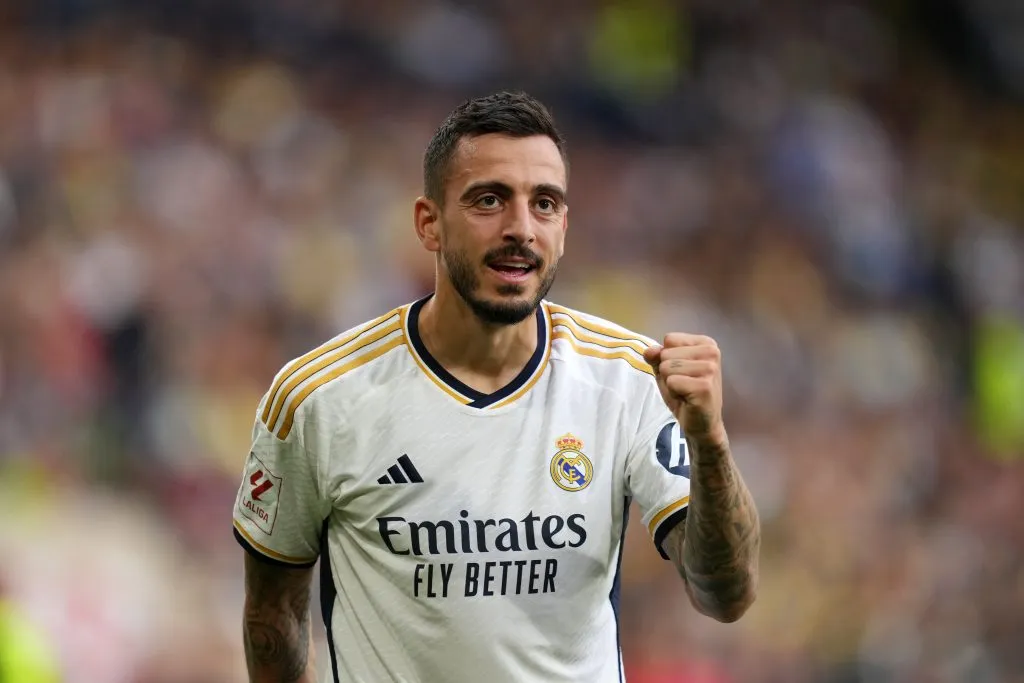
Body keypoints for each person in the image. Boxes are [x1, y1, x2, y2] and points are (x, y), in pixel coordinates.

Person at [233, 91, 760, 683]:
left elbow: (724, 595)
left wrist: (710, 442)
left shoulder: (631, 379)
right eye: (490, 200)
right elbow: (272, 616)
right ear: (428, 224)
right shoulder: (319, 399)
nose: (520, 229)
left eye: (545, 204)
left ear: (564, 225)